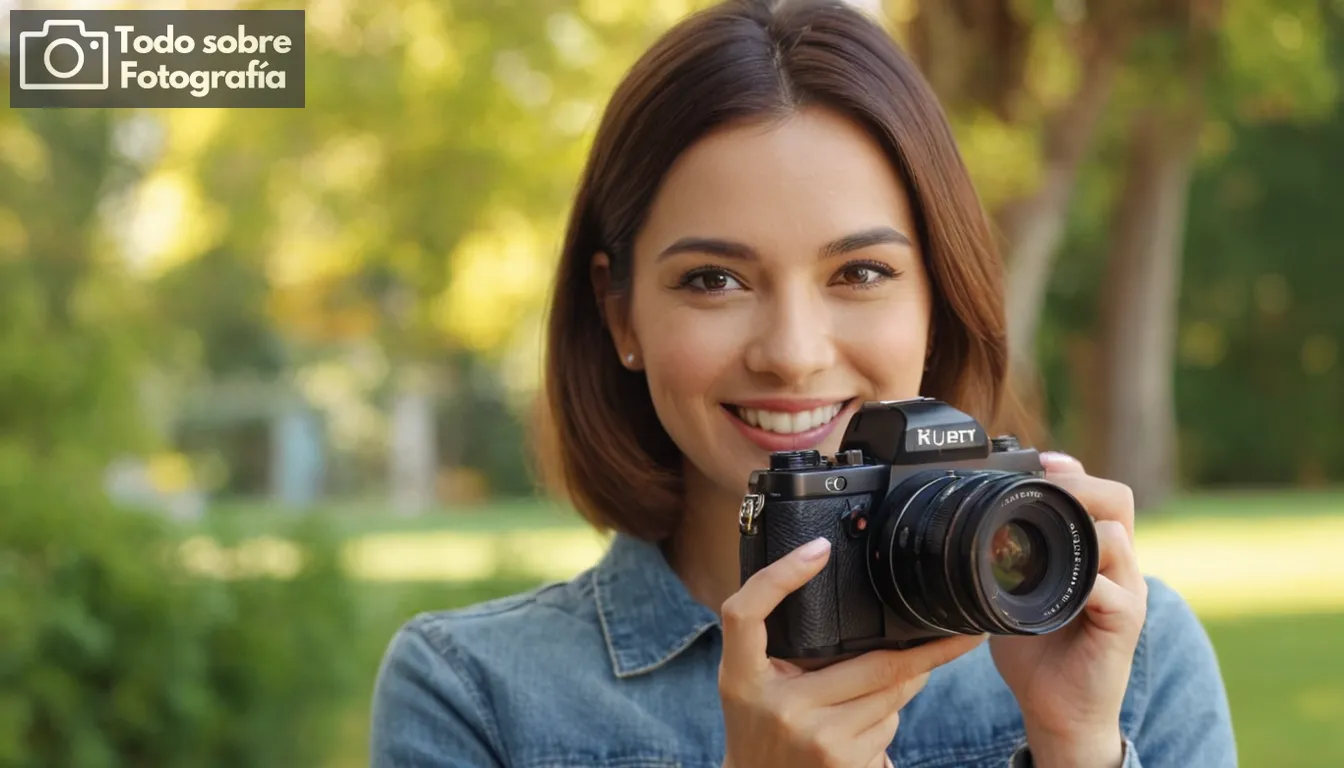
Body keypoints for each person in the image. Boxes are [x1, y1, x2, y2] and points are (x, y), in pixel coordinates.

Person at [369, 0, 1237, 765]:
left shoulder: (1125, 652)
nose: (792, 351)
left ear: (937, 297)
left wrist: (1076, 751)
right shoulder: (476, 695)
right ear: (622, 313)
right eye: (714, 279)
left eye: (859, 273)